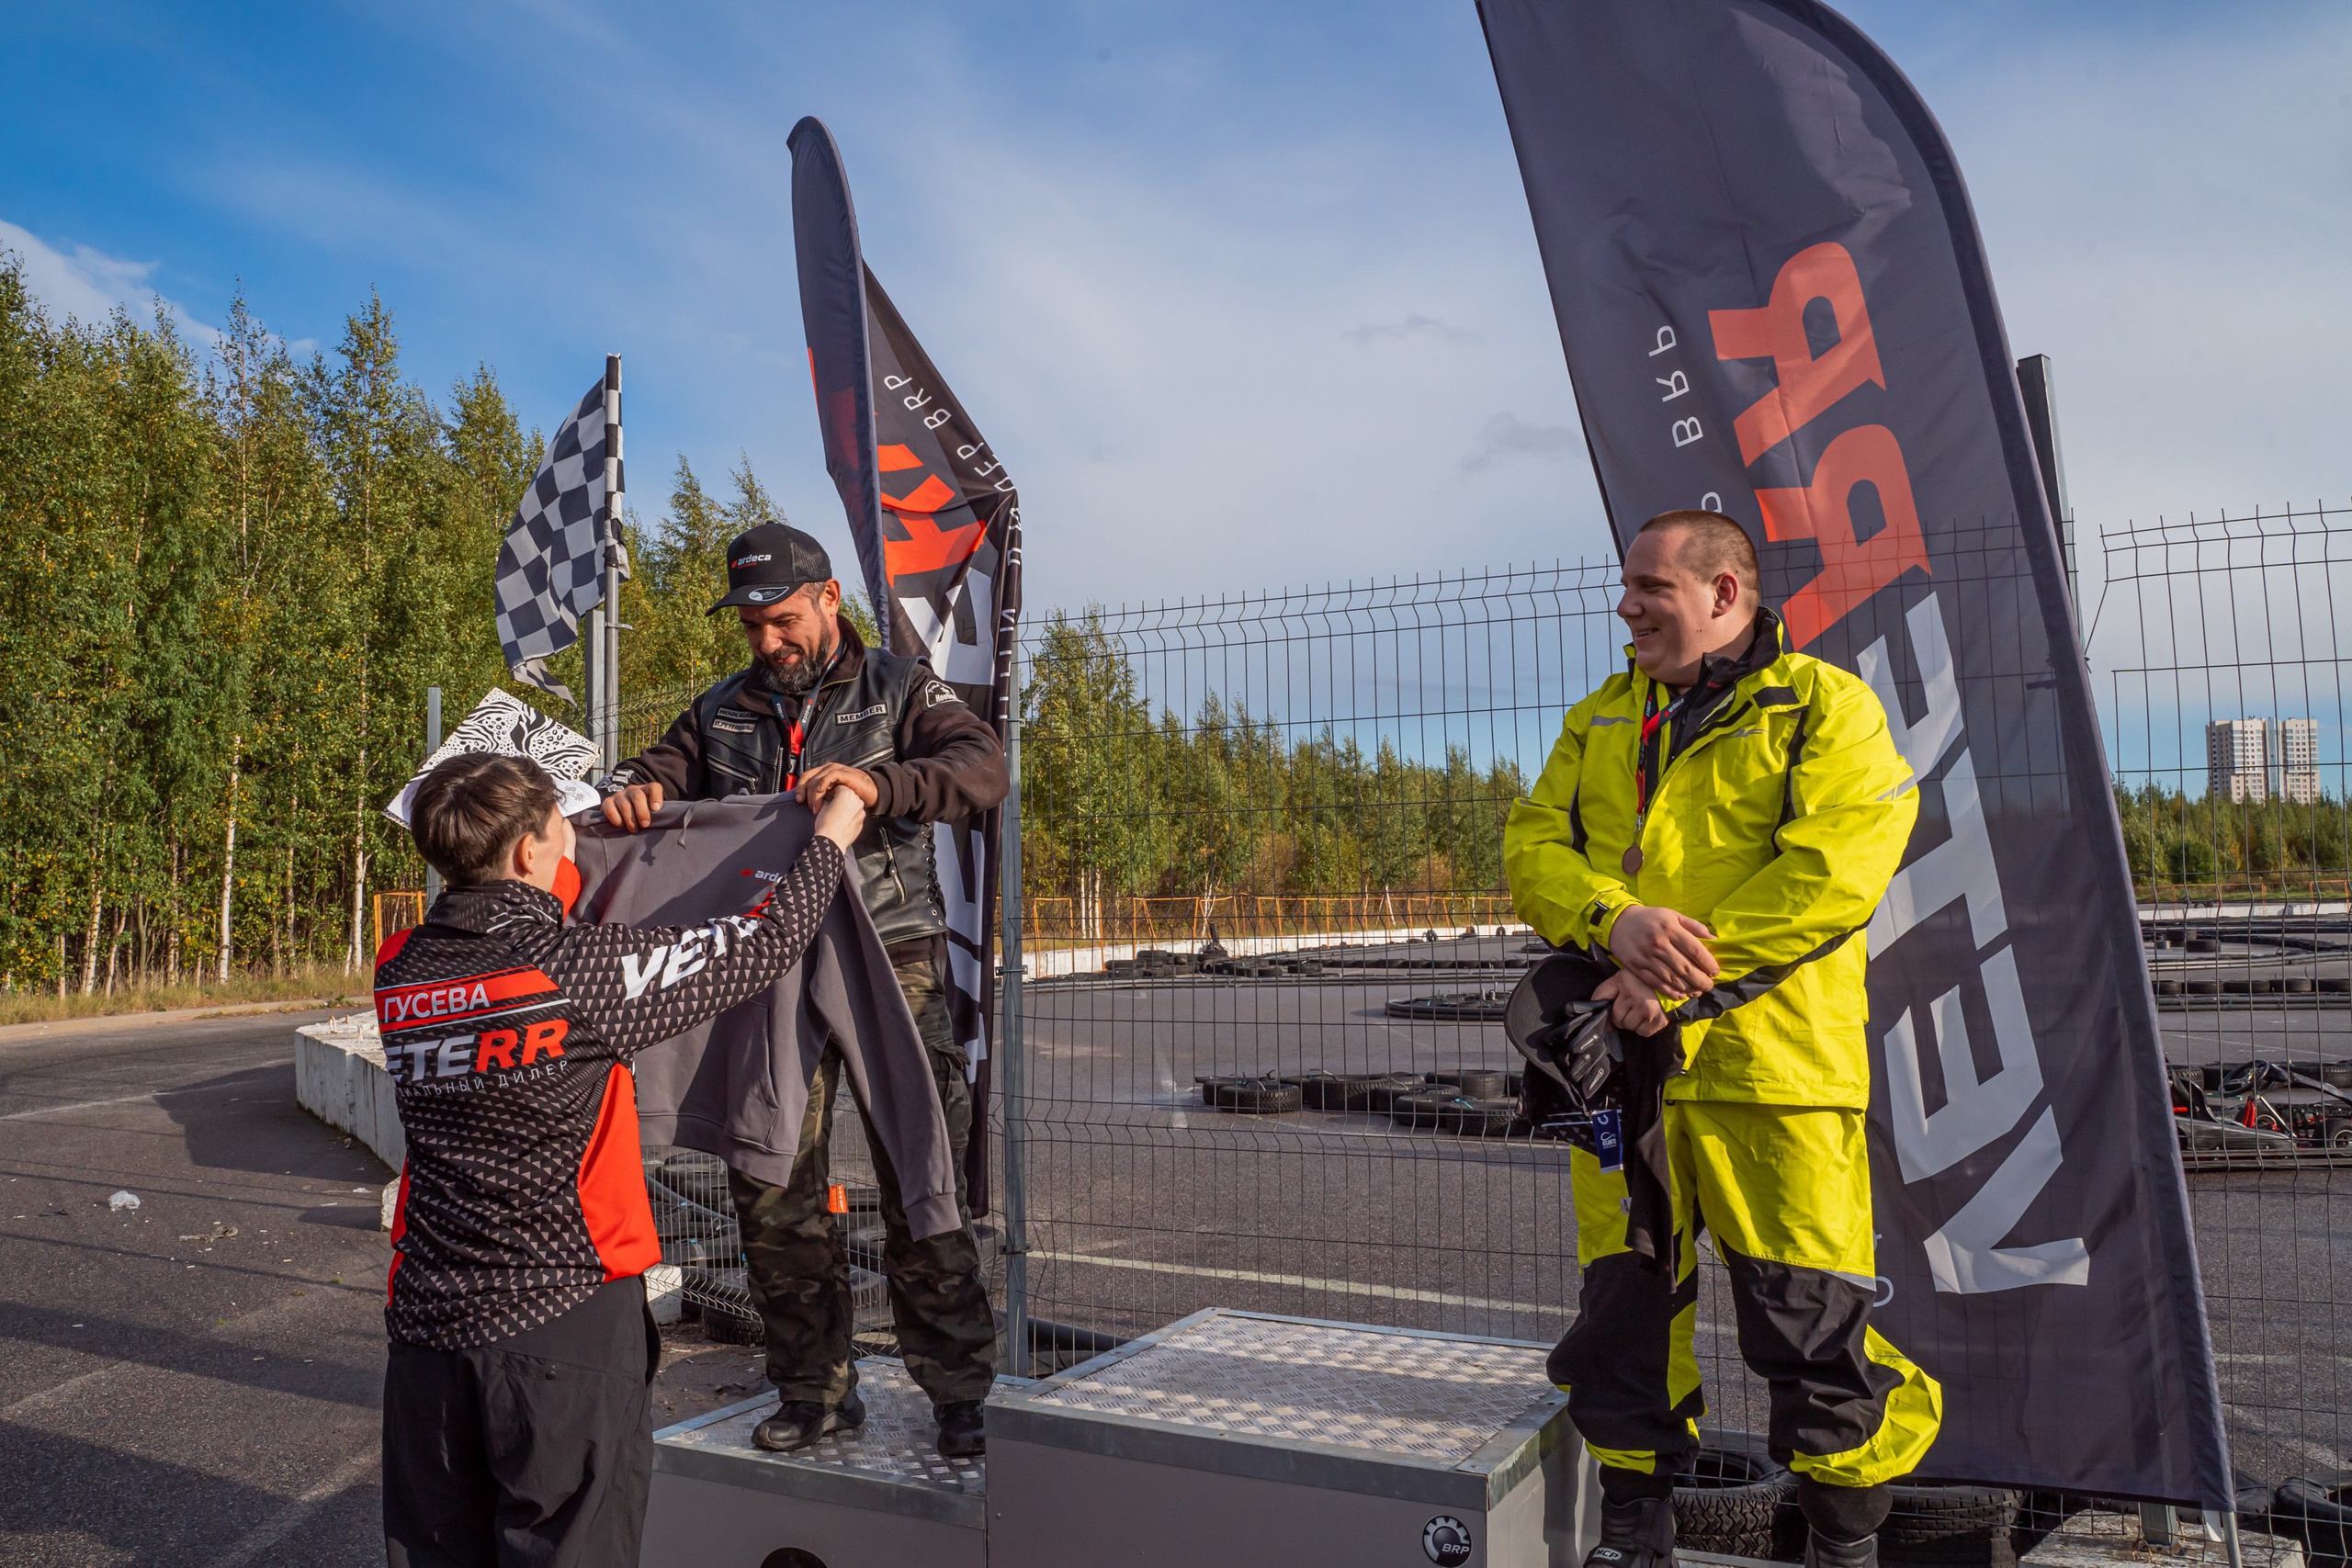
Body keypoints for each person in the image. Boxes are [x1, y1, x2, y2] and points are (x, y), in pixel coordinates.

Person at [1502, 511, 1943, 1568]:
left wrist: (1677, 983)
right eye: (1627, 584)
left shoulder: (1823, 708)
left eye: (1650, 584)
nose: (1626, 605)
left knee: (1810, 1329)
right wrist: (1616, 922)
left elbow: (1833, 870)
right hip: (1626, 1081)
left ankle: (1843, 1547)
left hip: (1773, 1077)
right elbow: (1532, 846)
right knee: (1622, 1321)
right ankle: (1631, 1539)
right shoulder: (1602, 717)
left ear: (1724, 593)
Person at [378, 750, 865, 1568]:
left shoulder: (401, 970)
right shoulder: (578, 972)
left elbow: (515, 921)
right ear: (529, 850)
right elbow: (764, 941)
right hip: (560, 1323)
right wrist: (833, 836)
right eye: (560, 825)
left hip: (427, 1330)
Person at [599, 519, 1003, 1459]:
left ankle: (956, 1394)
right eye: (749, 629)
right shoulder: (718, 710)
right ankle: (813, 1390)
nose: (766, 643)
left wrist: (874, 785)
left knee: (923, 1175)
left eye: (780, 621)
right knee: (769, 1181)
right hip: (759, 965)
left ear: (828, 599)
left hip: (891, 956)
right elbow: (653, 776)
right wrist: (627, 788)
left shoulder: (899, 687)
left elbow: (981, 768)